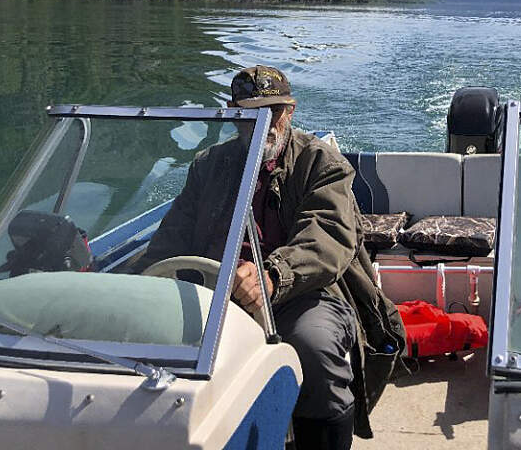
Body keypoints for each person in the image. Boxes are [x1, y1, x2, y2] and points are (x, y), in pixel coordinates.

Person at [139, 66, 405, 449]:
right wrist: (142, 279)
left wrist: (271, 276)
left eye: (273, 111)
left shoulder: (322, 163)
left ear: (290, 110)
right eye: (250, 113)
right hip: (211, 290)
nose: (263, 123)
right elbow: (172, 237)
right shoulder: (209, 165)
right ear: (232, 112)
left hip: (302, 292)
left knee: (313, 349)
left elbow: (326, 238)